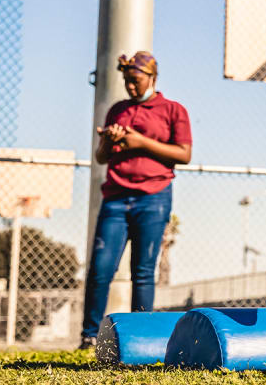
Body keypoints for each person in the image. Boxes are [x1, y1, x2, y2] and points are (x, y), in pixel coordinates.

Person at [79, 52, 192, 348]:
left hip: (153, 197)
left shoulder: (173, 110)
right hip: (116, 197)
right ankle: (88, 335)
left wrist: (141, 142)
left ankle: (143, 336)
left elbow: (184, 154)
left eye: (135, 81)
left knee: (143, 271)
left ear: (152, 78)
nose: (130, 87)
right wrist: (108, 140)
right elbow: (101, 157)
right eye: (126, 81)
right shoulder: (118, 110)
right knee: (101, 268)